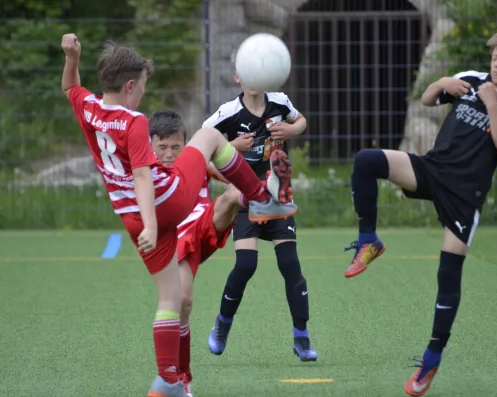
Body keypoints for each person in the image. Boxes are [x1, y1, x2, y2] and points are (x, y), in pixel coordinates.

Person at [60, 34, 298, 397]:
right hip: (166, 202)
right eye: (141, 86)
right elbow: (143, 174)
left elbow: (70, 87)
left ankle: (168, 380)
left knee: (173, 300)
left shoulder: (89, 108)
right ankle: (258, 195)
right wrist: (155, 223)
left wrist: (71, 57)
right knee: (209, 136)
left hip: (132, 219)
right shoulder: (134, 121)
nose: (142, 94)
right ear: (129, 86)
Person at [343, 29, 497, 396]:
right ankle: (369, 241)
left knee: (448, 275)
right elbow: (428, 100)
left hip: (465, 195)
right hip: (432, 170)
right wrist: (441, 82)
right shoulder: (472, 79)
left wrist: (491, 103)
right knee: (367, 160)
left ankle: (431, 360)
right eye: (495, 57)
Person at [204, 62, 318, 362]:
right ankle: (222, 326)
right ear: (237, 78)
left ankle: (302, 338)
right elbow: (199, 149)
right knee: (245, 266)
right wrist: (231, 147)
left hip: (278, 197)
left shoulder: (279, 102)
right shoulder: (228, 113)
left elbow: (302, 121)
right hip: (245, 199)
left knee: (291, 265)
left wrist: (291, 129)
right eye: (246, 74)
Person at [148, 110, 246, 397]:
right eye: (162, 147)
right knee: (184, 302)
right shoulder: (147, 171)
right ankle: (182, 376)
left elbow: (223, 172)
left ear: (185, 143)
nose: (169, 154)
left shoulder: (193, 162)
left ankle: (261, 196)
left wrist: (235, 167)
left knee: (232, 194)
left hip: (203, 226)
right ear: (151, 144)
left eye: (175, 147)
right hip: (174, 240)